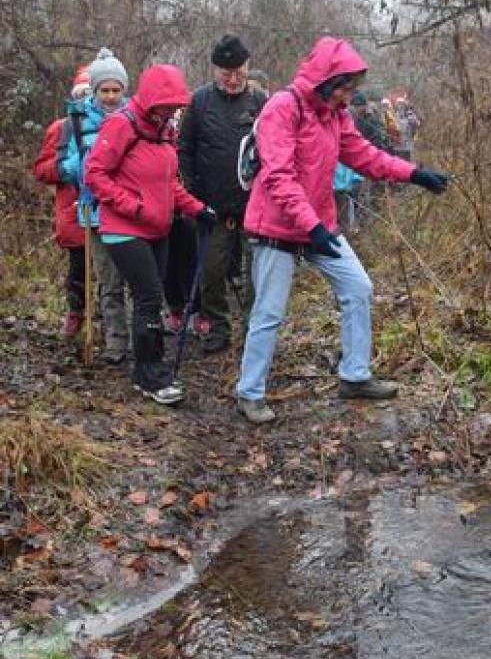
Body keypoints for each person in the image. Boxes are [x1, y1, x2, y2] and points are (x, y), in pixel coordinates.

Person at [235, 35, 449, 424]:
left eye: (353, 89)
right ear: (325, 81)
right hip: (278, 226)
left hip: (318, 224)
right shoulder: (282, 108)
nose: (349, 96)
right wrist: (312, 226)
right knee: (269, 312)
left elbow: (364, 156)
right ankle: (250, 393)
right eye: (345, 87)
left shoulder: (336, 115)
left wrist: (413, 173)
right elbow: (278, 176)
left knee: (358, 288)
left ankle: (355, 376)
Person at [85, 65, 214, 405]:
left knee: (151, 299)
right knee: (148, 297)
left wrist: (196, 208)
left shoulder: (164, 131)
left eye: (176, 105)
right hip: (123, 229)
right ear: (152, 100)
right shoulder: (121, 124)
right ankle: (148, 376)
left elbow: (169, 183)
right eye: (168, 104)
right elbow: (95, 174)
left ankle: (152, 367)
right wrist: (134, 206)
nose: (173, 111)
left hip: (158, 228)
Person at [178, 35, 267, 355]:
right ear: (215, 70)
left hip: (254, 206)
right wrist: (190, 191)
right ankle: (217, 327)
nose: (232, 80)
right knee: (211, 272)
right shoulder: (199, 101)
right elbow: (184, 149)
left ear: (248, 68)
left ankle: (255, 331)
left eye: (239, 73)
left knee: (258, 273)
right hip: (211, 207)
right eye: (225, 74)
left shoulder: (260, 103)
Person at [57, 47, 131, 364]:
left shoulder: (135, 119)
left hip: (129, 210)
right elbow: (62, 167)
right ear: (95, 89)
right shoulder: (76, 120)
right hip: (94, 208)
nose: (111, 97)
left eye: (116, 90)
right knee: (108, 280)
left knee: (137, 280)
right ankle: (115, 341)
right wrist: (89, 160)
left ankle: (141, 337)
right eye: (105, 90)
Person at [32, 67, 90, 338]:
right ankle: (76, 314)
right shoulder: (61, 128)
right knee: (78, 269)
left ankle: (111, 325)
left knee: (112, 271)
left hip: (109, 210)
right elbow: (41, 168)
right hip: (73, 211)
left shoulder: (118, 124)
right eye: (83, 94)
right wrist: (64, 169)